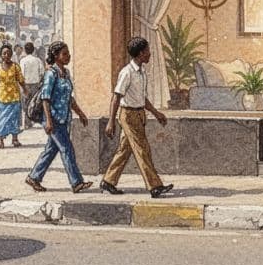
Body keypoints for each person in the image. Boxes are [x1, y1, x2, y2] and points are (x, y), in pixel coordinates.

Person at [101, 37, 173, 197]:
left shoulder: (141, 73)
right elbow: (116, 97)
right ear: (141, 53)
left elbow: (142, 98)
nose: (150, 54)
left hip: (139, 113)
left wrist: (156, 113)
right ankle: (155, 186)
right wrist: (111, 121)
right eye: (147, 51)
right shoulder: (127, 73)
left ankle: (108, 181)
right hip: (128, 115)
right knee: (142, 149)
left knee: (124, 150)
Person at [25, 42, 93, 193]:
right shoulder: (51, 74)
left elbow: (69, 98)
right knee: (66, 148)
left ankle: (34, 177)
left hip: (64, 118)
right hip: (53, 119)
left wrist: (80, 113)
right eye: (64, 54)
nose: (68, 56)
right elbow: (45, 98)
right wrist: (48, 120)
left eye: (68, 53)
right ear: (56, 56)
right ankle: (76, 182)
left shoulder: (66, 73)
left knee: (51, 149)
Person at [0, 44, 26, 149]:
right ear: (1, 55)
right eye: (4, 53)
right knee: (0, 119)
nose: (6, 55)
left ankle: (15, 139)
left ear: (11, 54)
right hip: (1, 97)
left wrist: (25, 90)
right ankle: (0, 141)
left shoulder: (15, 66)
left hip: (14, 97)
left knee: (14, 118)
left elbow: (21, 80)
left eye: (8, 53)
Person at [19, 41, 45, 128]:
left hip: (25, 85)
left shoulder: (23, 61)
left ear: (25, 50)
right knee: (34, 103)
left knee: (26, 103)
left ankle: (27, 122)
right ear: (33, 50)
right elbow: (42, 73)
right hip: (35, 85)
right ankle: (33, 120)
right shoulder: (38, 60)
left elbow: (21, 74)